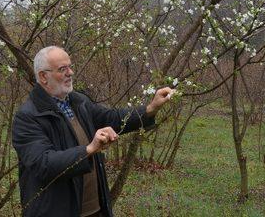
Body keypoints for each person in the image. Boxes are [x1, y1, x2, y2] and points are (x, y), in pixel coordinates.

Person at [12, 46, 174, 217]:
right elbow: (43, 164)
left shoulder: (77, 101)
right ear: (43, 76)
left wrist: (150, 109)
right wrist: (89, 149)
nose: (70, 72)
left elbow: (111, 118)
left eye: (70, 66)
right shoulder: (28, 117)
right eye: (62, 69)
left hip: (95, 210)